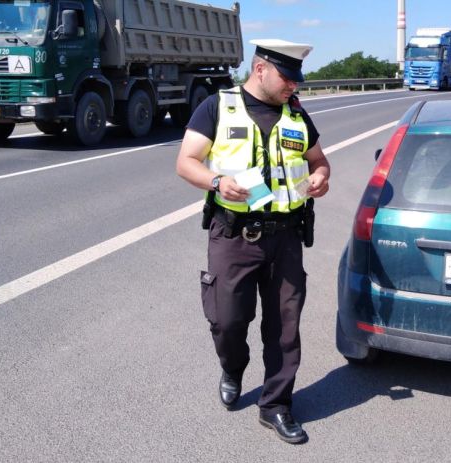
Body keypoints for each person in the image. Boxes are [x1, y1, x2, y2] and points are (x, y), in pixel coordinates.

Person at [176, 38, 330, 445]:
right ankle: (232, 367)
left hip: (286, 237)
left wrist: (320, 178)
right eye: (286, 77)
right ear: (260, 69)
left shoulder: (297, 115)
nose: (292, 86)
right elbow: (185, 162)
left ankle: (276, 404)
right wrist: (216, 181)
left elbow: (319, 161)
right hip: (233, 235)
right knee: (228, 321)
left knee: (284, 328)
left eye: (296, 79)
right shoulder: (217, 107)